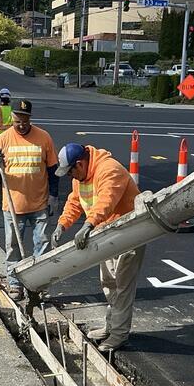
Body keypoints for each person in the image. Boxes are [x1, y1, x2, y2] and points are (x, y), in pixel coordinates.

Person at [50, 143, 143, 352]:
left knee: (123, 285)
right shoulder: (80, 177)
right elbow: (75, 202)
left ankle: (119, 335)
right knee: (109, 282)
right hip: (107, 234)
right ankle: (111, 327)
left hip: (129, 232)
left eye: (71, 172)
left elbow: (106, 201)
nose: (70, 177)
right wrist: (61, 225)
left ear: (80, 164)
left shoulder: (109, 169)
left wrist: (87, 225)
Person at [0, 99, 59, 299]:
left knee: (42, 245)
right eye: (18, 121)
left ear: (30, 119)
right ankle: (15, 284)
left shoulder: (43, 137)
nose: (21, 125)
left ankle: (38, 285)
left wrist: (54, 196)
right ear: (12, 119)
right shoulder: (3, 139)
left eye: (25, 120)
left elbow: (53, 170)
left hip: (39, 203)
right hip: (12, 205)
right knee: (13, 247)